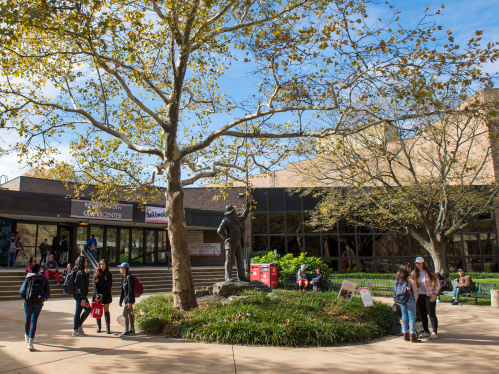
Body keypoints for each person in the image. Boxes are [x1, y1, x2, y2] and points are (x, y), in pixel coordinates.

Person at [19, 263, 50, 351]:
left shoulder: (28, 277)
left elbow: (22, 291)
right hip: (38, 302)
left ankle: (26, 335)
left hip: (28, 302)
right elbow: (47, 292)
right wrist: (43, 299)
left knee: (27, 319)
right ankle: (31, 342)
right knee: (34, 321)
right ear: (39, 269)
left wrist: (25, 298)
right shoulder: (43, 278)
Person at [413, 257, 440, 339]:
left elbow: (437, 284)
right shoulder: (414, 273)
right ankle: (426, 331)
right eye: (417, 263)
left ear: (423, 263)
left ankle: (434, 332)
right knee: (422, 314)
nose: (418, 265)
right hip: (419, 296)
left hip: (429, 295)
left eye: (420, 263)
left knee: (431, 313)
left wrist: (435, 294)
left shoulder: (429, 272)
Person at [394, 262, 421, 343]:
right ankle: (412, 335)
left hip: (401, 299)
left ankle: (405, 334)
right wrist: (416, 299)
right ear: (407, 268)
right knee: (412, 317)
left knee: (403, 316)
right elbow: (415, 290)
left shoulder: (398, 277)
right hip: (409, 297)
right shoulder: (411, 277)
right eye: (409, 267)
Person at [93, 259, 113, 334]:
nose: (102, 266)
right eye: (101, 264)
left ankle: (108, 327)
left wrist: (103, 295)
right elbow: (94, 286)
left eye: (103, 264)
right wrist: (98, 295)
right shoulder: (96, 273)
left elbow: (109, 286)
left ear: (106, 265)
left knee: (106, 310)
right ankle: (99, 327)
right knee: (98, 310)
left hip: (106, 294)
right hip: (98, 294)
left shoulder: (109, 274)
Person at [73, 256, 91, 336]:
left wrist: (86, 274)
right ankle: (78, 326)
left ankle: (76, 330)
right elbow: (82, 286)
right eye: (86, 261)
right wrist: (83, 298)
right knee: (88, 309)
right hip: (80, 295)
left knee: (78, 311)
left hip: (77, 295)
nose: (86, 263)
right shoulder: (80, 272)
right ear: (83, 262)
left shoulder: (77, 271)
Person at [118, 262, 136, 336]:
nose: (120, 269)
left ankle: (126, 330)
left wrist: (129, 301)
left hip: (129, 300)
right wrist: (121, 300)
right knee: (130, 313)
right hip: (127, 299)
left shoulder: (129, 278)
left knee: (125, 314)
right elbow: (123, 291)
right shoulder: (124, 278)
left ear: (124, 269)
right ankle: (132, 328)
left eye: (121, 268)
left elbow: (130, 290)